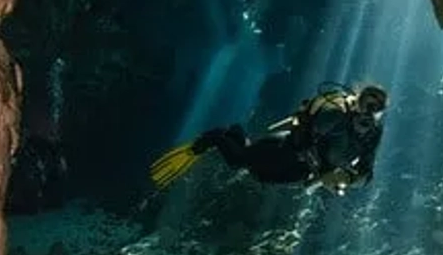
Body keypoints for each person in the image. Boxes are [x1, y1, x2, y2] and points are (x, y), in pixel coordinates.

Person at [150, 82, 388, 194]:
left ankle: (237, 133)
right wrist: (324, 169)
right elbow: (303, 135)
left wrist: (346, 177)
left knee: (258, 175)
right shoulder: (334, 115)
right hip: (284, 150)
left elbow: (367, 172)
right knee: (238, 161)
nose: (368, 114)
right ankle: (213, 137)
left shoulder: (373, 135)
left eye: (375, 109)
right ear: (356, 102)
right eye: (366, 105)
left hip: (300, 172)